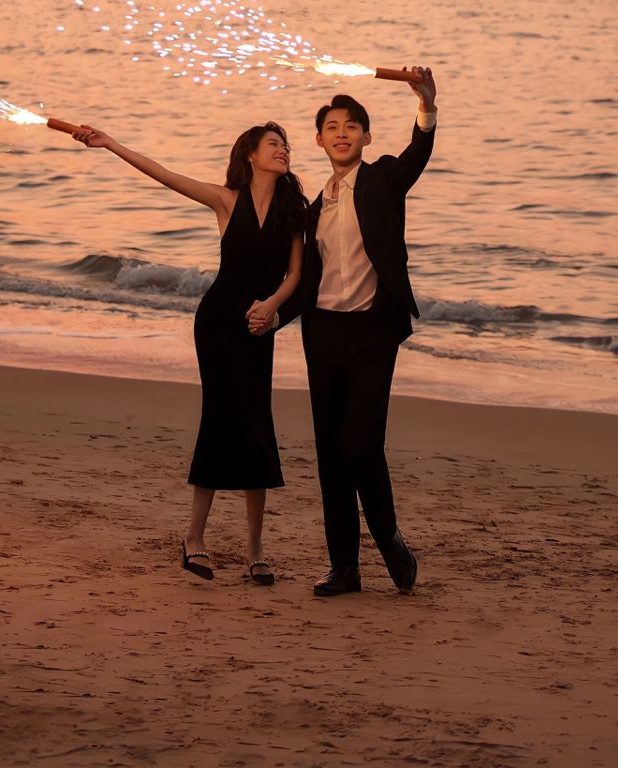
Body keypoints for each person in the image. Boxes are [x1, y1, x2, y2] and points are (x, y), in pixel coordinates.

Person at [72, 120, 307, 586]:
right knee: (221, 421)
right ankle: (193, 538)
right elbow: (164, 175)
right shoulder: (226, 200)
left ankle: (255, 549)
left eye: (285, 146)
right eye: (273, 145)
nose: (283, 151)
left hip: (258, 326)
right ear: (251, 157)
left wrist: (273, 308)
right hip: (218, 323)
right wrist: (111, 143)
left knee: (258, 425)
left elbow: (295, 276)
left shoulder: (292, 213)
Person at [252, 66, 436, 596]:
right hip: (324, 335)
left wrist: (425, 103)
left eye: (352, 126)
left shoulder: (382, 180)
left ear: (366, 136)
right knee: (331, 453)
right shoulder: (312, 210)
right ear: (318, 139)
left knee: (361, 445)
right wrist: (272, 317)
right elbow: (305, 283)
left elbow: (417, 154)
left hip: (373, 334)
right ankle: (344, 568)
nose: (342, 133)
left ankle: (392, 542)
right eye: (332, 126)